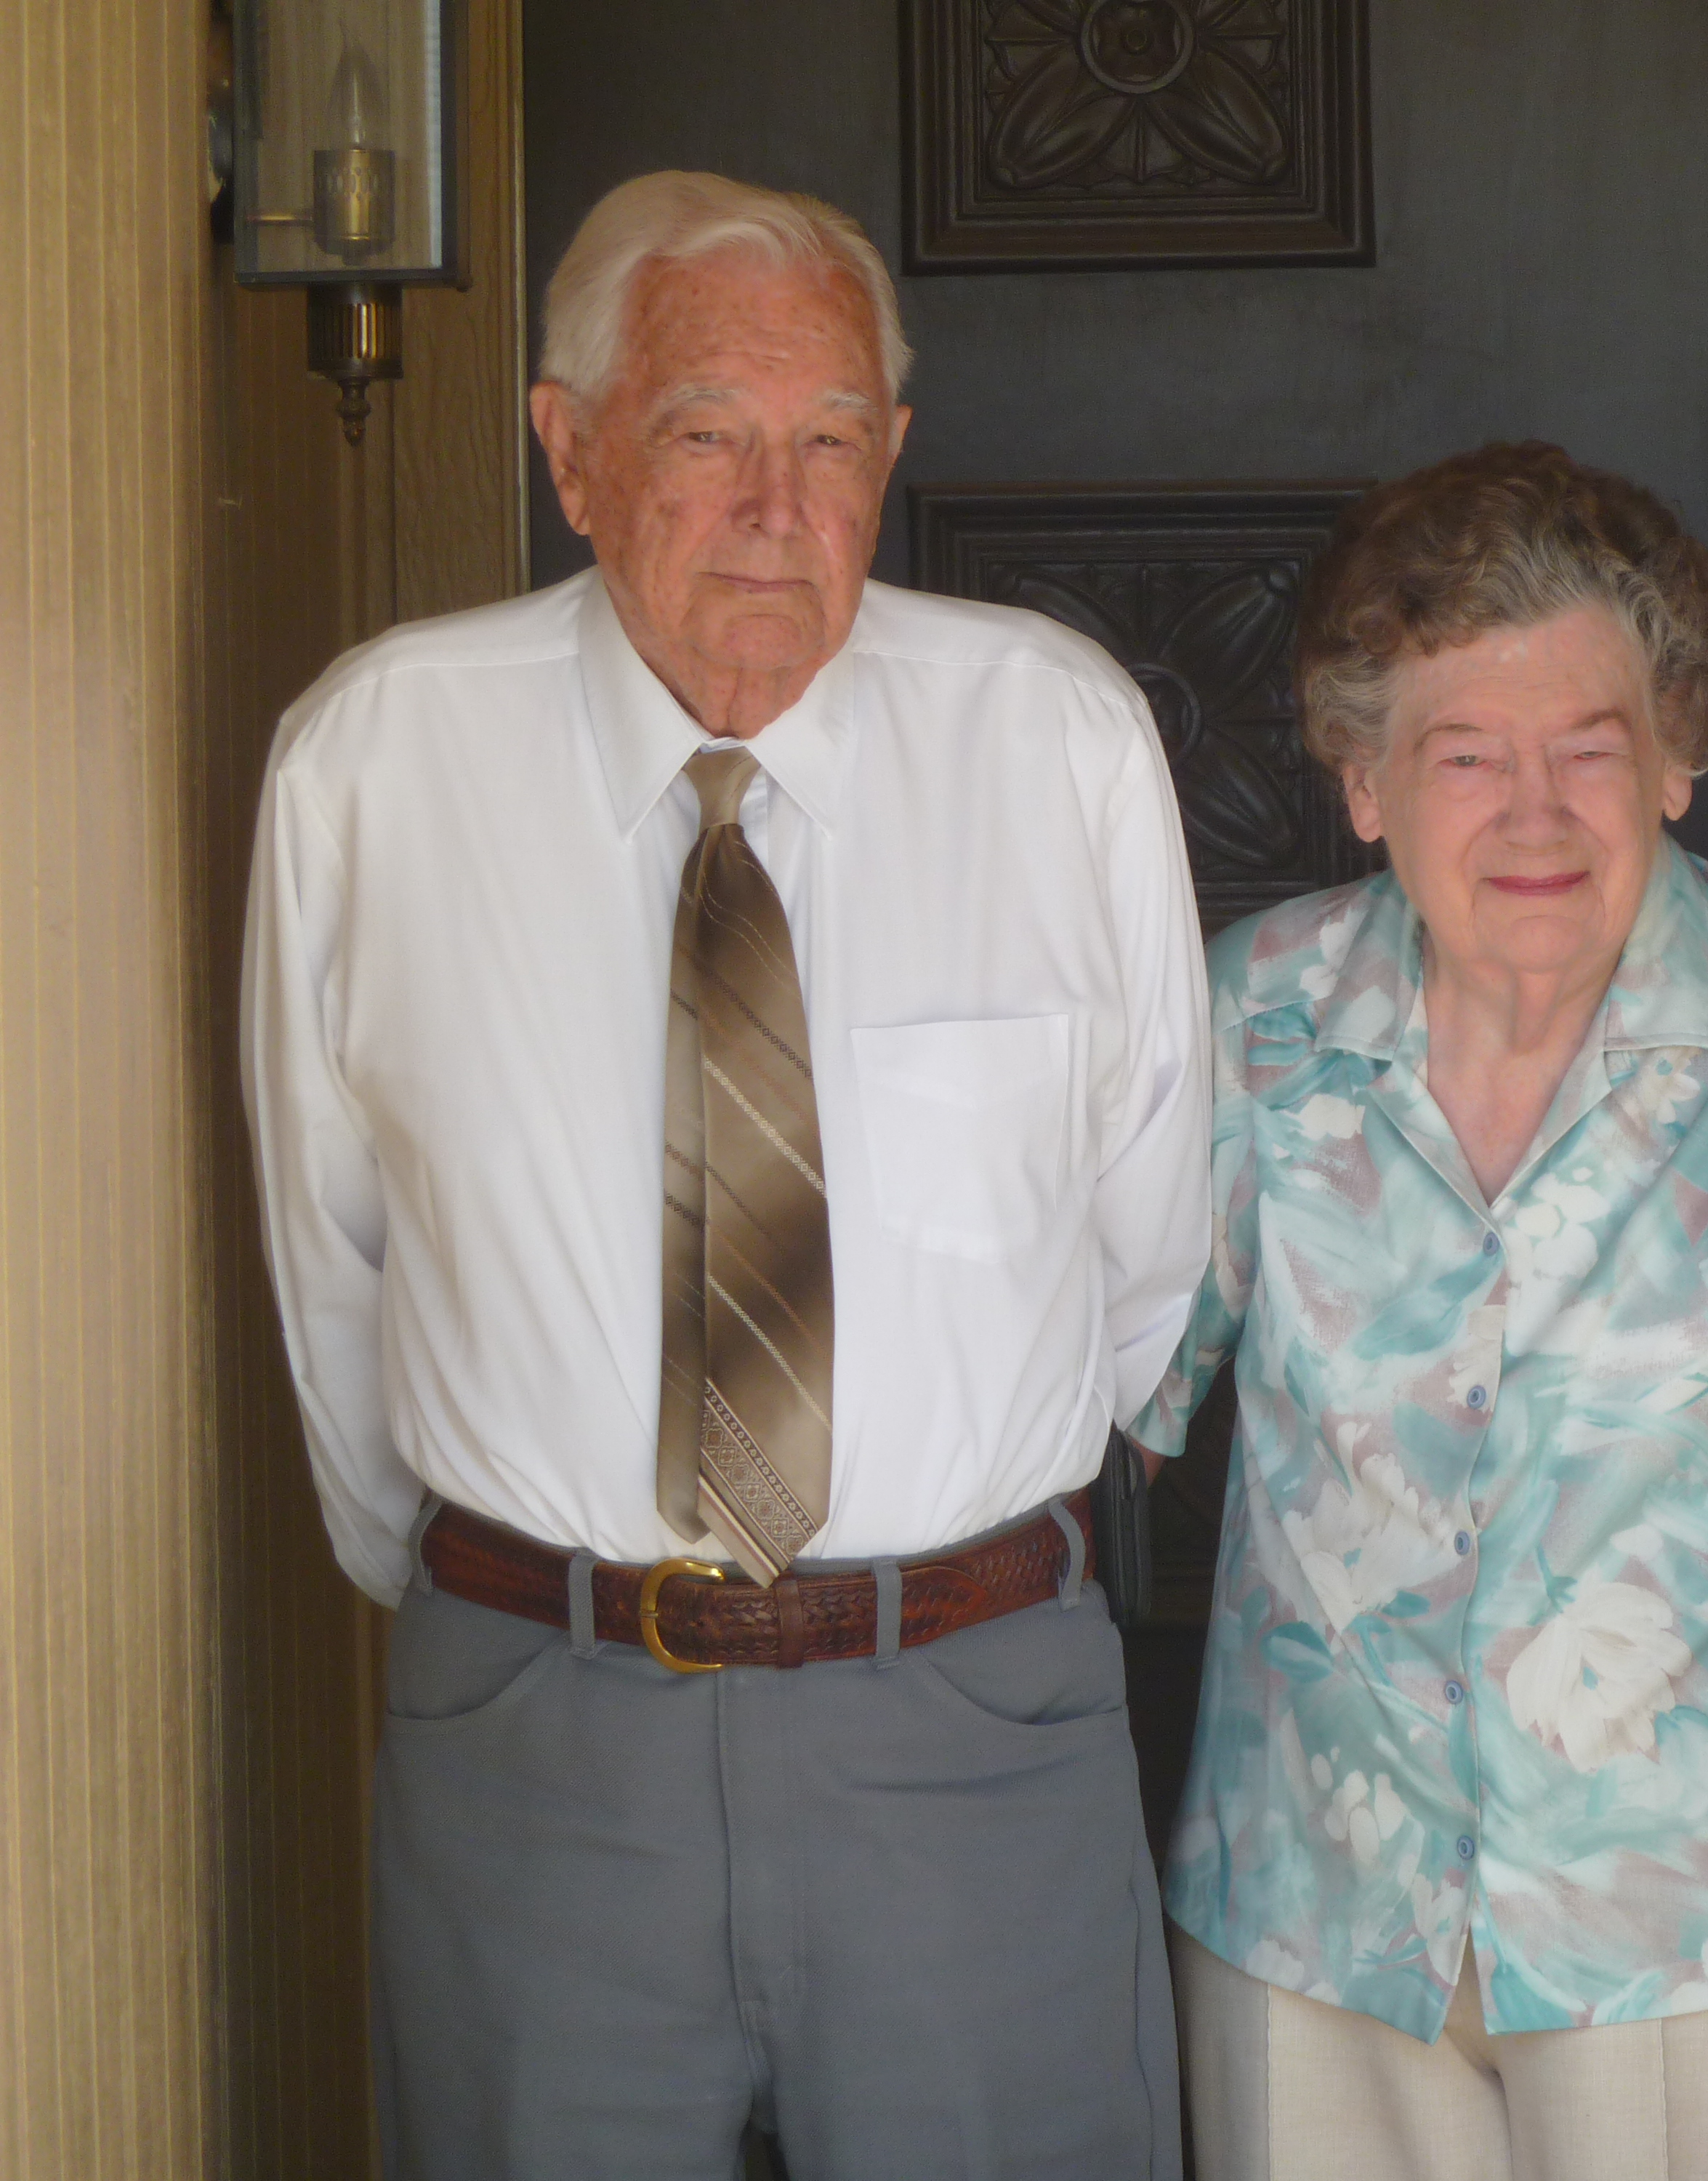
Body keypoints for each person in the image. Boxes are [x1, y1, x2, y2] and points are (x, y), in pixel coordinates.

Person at [241, 171, 1207, 2179]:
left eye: (831, 443)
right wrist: (536, 1597)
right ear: (570, 453)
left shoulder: (1056, 740)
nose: (778, 506)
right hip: (539, 1743)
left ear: (892, 458)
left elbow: (1147, 1245)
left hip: (967, 1731)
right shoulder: (376, 764)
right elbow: (332, 1265)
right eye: (705, 437)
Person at [1130, 441, 1708, 2181]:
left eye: (1589, 750)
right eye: (1464, 754)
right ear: (1363, 782)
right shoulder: (1260, 1021)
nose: (1531, 814)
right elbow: (1094, 1415)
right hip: (1317, 1941)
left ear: (1676, 759)